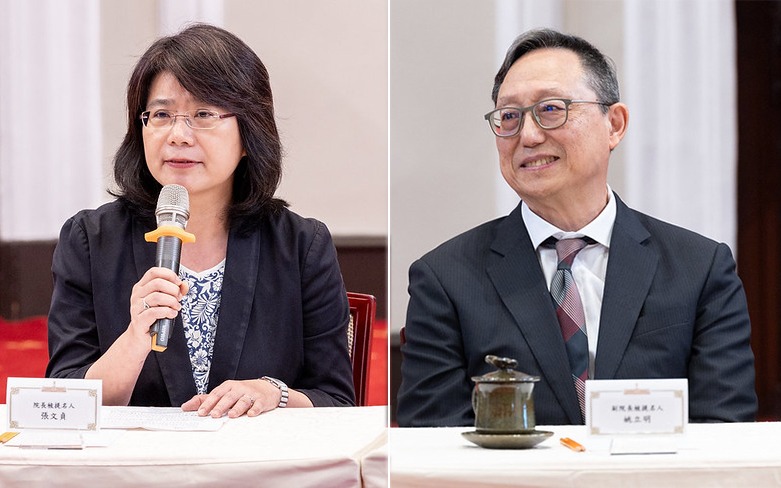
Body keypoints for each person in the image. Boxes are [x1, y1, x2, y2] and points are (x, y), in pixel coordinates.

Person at [397, 28, 757, 426]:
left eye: (551, 109)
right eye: (510, 117)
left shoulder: (700, 268)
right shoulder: (446, 278)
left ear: (614, 124)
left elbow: (725, 430)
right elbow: (433, 442)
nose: (528, 136)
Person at [46, 24, 355, 417]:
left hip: (255, 471)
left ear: (249, 134)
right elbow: (62, 404)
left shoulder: (300, 245)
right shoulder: (90, 240)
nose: (177, 134)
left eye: (203, 114)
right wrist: (133, 341)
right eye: (161, 114)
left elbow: (338, 401)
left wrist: (271, 393)